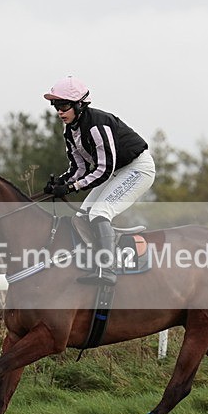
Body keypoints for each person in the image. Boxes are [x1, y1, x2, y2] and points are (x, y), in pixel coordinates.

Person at [43, 76, 156, 286]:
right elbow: (79, 168)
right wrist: (61, 182)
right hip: (117, 171)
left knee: (99, 213)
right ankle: (92, 262)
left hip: (137, 169)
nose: (59, 111)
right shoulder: (70, 130)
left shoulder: (97, 125)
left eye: (64, 105)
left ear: (79, 104)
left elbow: (104, 169)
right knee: (82, 216)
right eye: (56, 105)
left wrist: (72, 187)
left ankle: (108, 269)